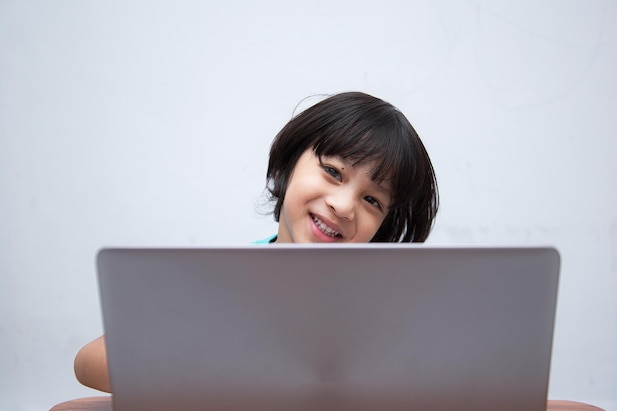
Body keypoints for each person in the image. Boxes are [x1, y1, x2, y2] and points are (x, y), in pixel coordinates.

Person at [73, 91, 439, 392]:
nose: (343, 206)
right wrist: (215, 368)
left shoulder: (387, 306)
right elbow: (89, 362)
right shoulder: (219, 281)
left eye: (372, 200)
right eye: (332, 172)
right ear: (285, 167)